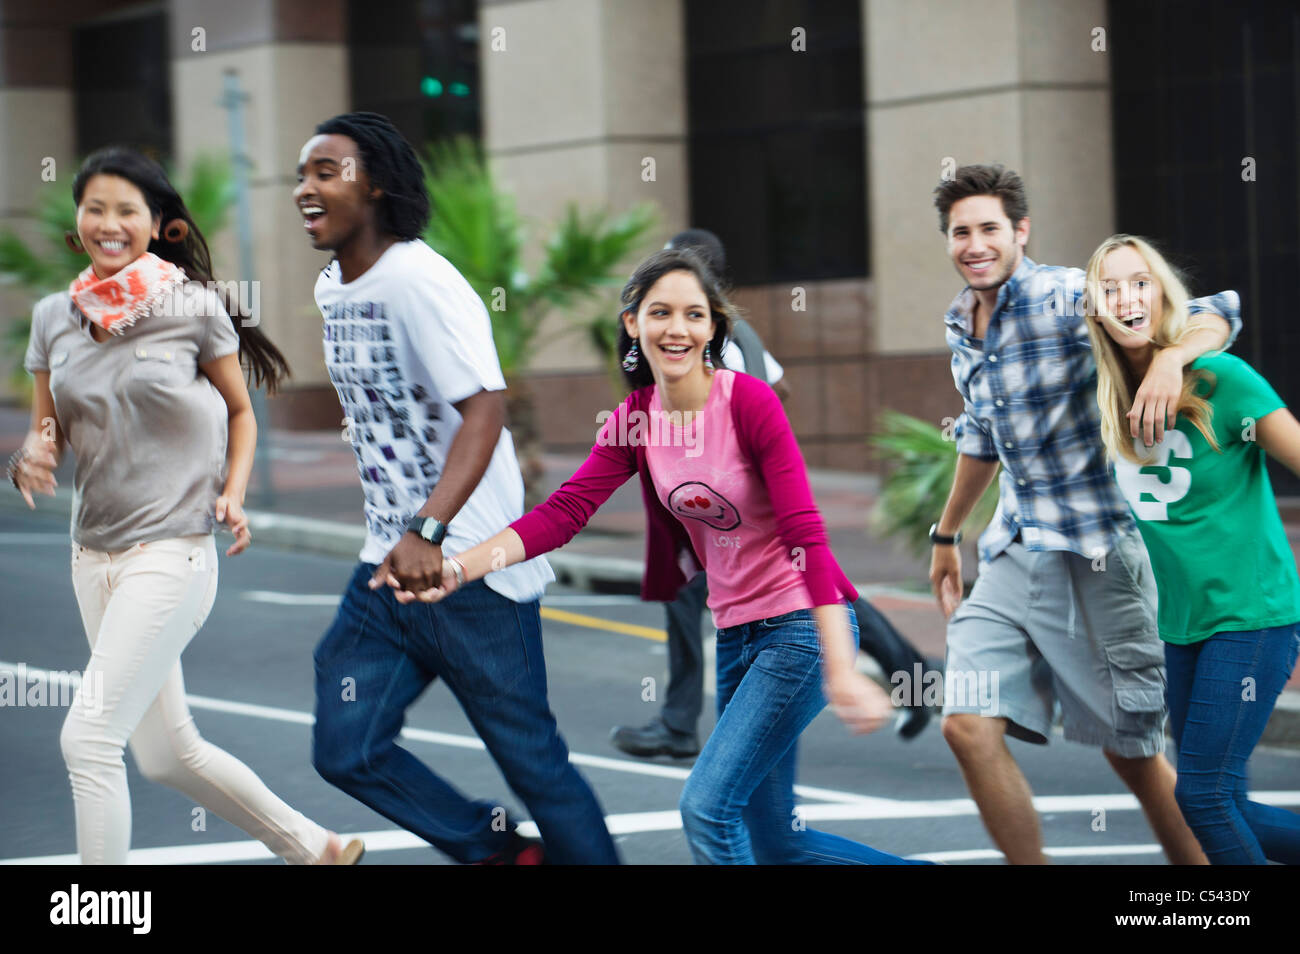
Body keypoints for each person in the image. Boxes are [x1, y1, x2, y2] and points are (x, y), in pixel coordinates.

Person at [417, 246, 930, 865]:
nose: (677, 329)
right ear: (633, 322)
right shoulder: (637, 419)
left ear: (713, 328)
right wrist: (456, 566)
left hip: (798, 633)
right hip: (737, 634)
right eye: (660, 313)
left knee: (707, 809)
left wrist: (844, 666)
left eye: (694, 315)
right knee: (777, 844)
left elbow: (806, 534)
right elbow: (563, 513)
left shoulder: (748, 404)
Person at [10, 147, 361, 865]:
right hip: (92, 555)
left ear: (158, 224)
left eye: (127, 210)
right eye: (96, 209)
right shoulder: (53, 319)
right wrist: (32, 454)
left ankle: (100, 912)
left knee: (88, 739)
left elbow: (241, 411)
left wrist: (232, 494)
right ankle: (314, 848)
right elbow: (49, 427)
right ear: (77, 224)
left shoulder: (193, 309)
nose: (110, 223)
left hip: (170, 553)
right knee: (168, 754)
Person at [294, 112, 618, 865]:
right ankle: (498, 851)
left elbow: (484, 409)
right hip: (389, 566)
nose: (306, 189)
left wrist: (429, 529)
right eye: (302, 176)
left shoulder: (422, 282)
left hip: (467, 567)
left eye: (325, 172)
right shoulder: (333, 286)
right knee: (347, 747)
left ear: (374, 185)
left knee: (534, 763)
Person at [928, 163, 1242, 865]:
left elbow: (1219, 309)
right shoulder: (960, 322)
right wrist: (947, 532)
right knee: (966, 726)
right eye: (960, 232)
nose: (974, 244)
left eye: (988, 229)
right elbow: (982, 434)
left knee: (1132, 755)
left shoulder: (1067, 294)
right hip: (1014, 547)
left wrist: (1169, 362)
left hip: (1101, 553)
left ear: (1020, 231)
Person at [610, 229, 938, 759]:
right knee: (826, 586)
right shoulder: (741, 337)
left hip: (731, 510)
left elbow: (746, 403)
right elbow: (778, 390)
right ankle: (915, 679)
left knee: (731, 592)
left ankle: (678, 723)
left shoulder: (715, 350)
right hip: (729, 503)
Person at [1084, 234, 1300, 864]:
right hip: (1181, 627)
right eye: (1110, 287)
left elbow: (1225, 306)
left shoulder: (1222, 378)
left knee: (1202, 798)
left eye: (1141, 282)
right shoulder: (1104, 393)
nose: (1127, 297)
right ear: (1093, 308)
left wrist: (1174, 359)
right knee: (1222, 798)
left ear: (1162, 294)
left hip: (1251, 616)